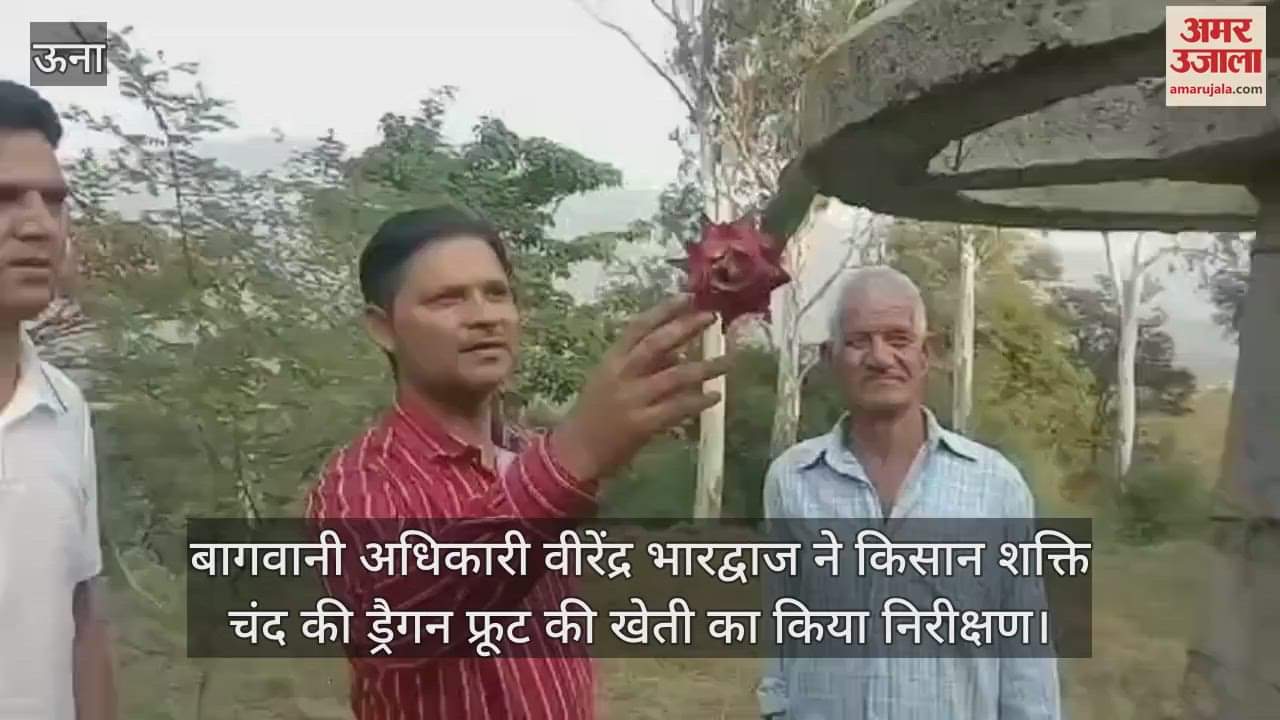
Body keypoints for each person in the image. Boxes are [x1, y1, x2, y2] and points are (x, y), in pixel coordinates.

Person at [307, 205, 730, 720]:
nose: (484, 315)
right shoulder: (360, 483)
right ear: (383, 327)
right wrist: (573, 456)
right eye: (447, 299)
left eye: (497, 293)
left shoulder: (531, 454)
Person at [757, 266, 1061, 719]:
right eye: (859, 341)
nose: (880, 358)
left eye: (898, 339)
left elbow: (1026, 661)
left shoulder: (995, 487)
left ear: (926, 353)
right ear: (829, 356)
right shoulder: (793, 481)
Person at [0, 81, 116, 720]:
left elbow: (82, 618)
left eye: (55, 202)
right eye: (5, 199)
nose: (39, 226)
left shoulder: (63, 406)